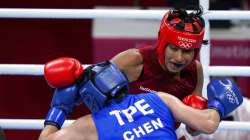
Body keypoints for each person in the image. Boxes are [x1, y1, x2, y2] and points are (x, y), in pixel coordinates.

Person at [43, 7, 207, 138]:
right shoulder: (136, 60)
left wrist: (196, 116)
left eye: (187, 52)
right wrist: (60, 108)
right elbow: (88, 87)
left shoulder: (195, 71)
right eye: (174, 48)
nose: (179, 58)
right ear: (163, 42)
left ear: (196, 51)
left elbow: (194, 129)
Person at [39, 61, 243, 140]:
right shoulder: (159, 98)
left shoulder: (89, 124)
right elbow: (208, 124)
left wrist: (59, 109)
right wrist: (217, 105)